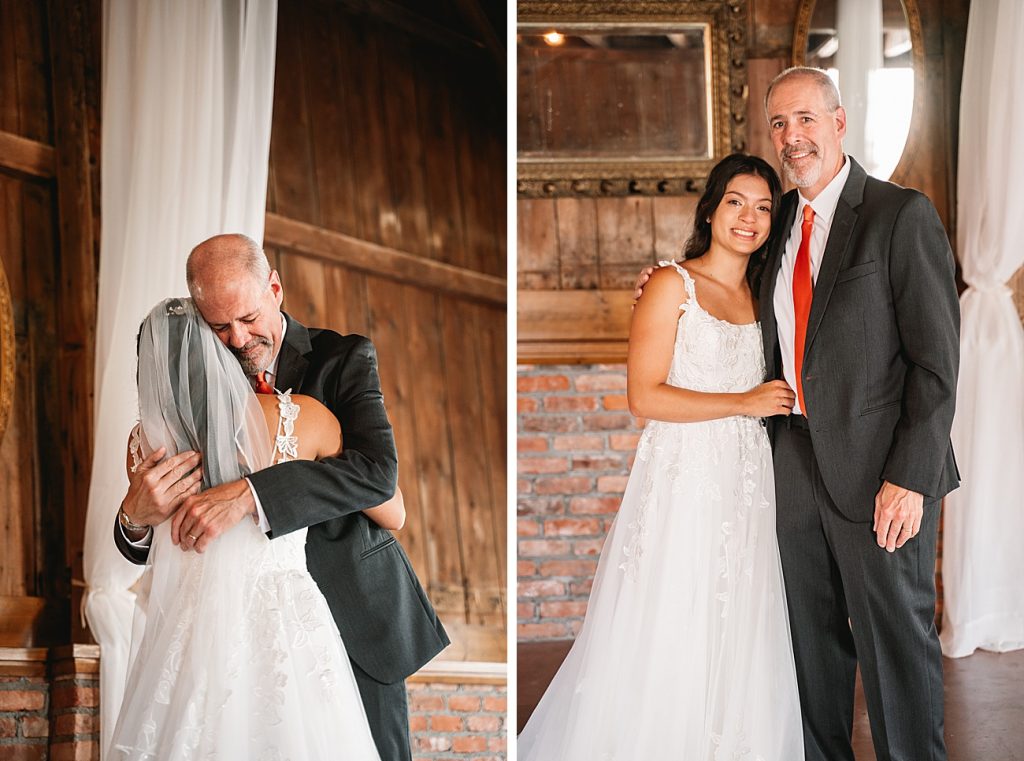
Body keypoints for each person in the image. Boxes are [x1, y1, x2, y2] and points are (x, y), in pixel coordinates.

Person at [635, 68, 960, 761]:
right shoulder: (776, 219)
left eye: (806, 119)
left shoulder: (900, 215)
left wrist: (910, 475)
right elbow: (724, 287)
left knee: (895, 645)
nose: (792, 136)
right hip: (790, 461)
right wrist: (666, 280)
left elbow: (936, 365)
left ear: (840, 122)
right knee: (810, 650)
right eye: (779, 124)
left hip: (881, 473)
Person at [114, 235, 449, 760]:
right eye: (219, 328)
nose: (238, 339)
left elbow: (379, 478)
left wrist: (253, 493)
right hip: (220, 637)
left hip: (350, 616)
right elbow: (159, 545)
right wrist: (132, 518)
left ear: (275, 288)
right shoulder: (171, 429)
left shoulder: (341, 359)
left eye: (248, 318)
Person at [519, 154, 804, 760]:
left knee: (738, 622)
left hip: (748, 480)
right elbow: (643, 397)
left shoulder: (766, 291)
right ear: (710, 208)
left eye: (762, 207)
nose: (748, 218)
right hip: (686, 479)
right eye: (735, 202)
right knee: (677, 618)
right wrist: (744, 400)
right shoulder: (672, 284)